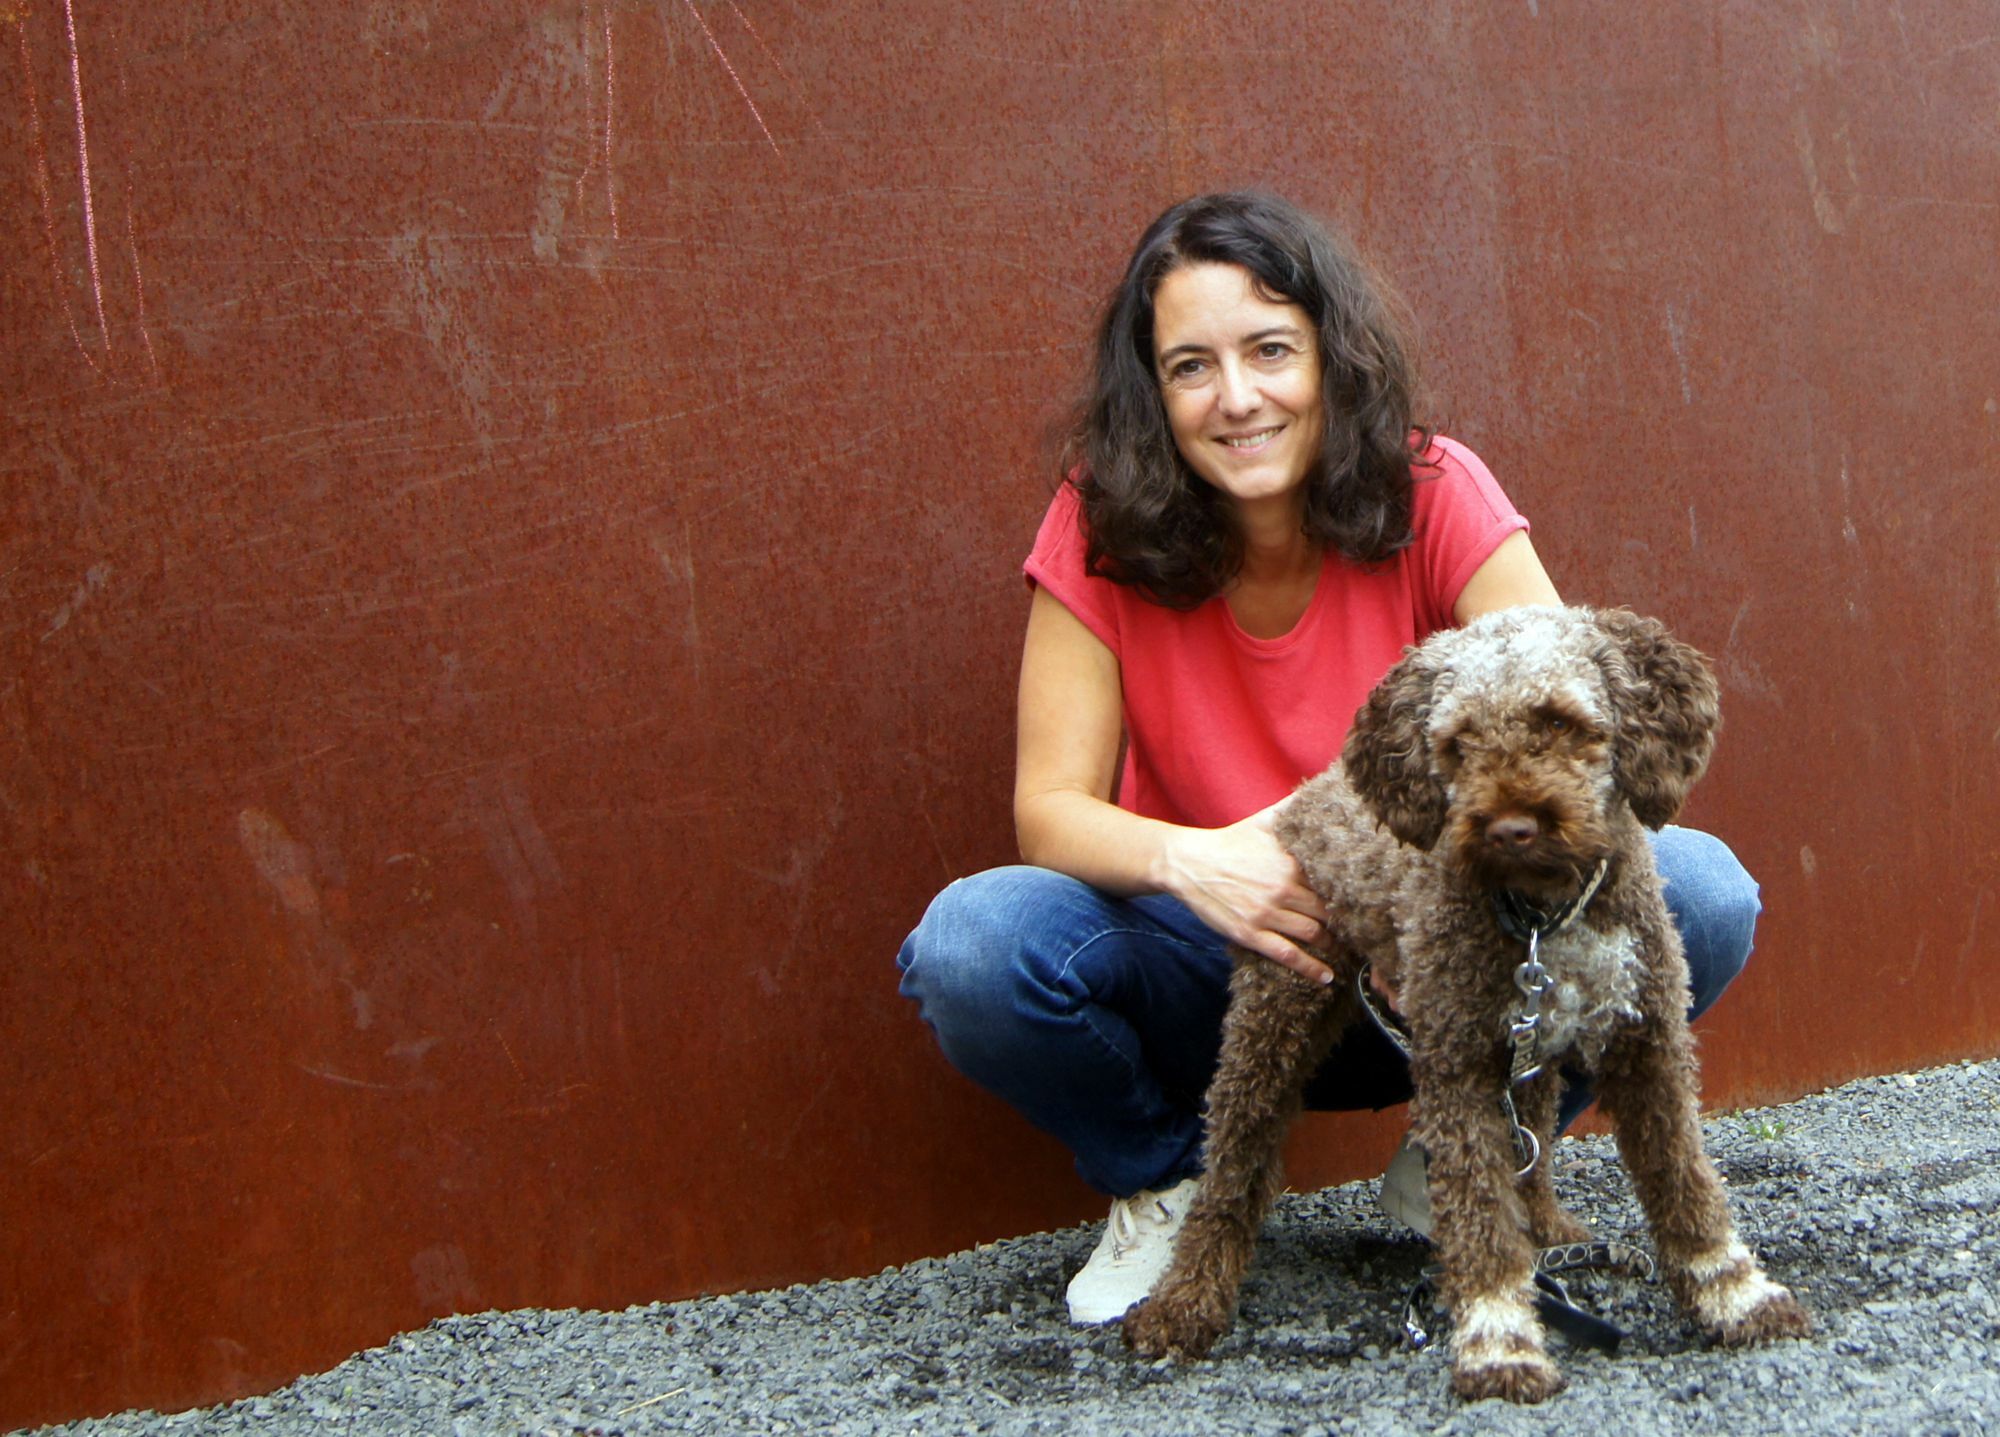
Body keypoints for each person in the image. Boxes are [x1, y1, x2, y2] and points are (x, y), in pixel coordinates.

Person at [895, 192, 1761, 1326]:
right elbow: (1048, 810)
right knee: (975, 943)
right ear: (1150, 391)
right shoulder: (1098, 520)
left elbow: (1569, 729)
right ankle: (1165, 1181)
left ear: (1329, 355)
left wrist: (1432, 896)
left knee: (1697, 890)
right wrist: (1201, 863)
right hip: (1211, 960)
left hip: (1441, 955)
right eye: (1190, 366)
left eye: (1269, 350)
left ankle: (1469, 1154)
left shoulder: (1435, 488)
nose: (1236, 397)